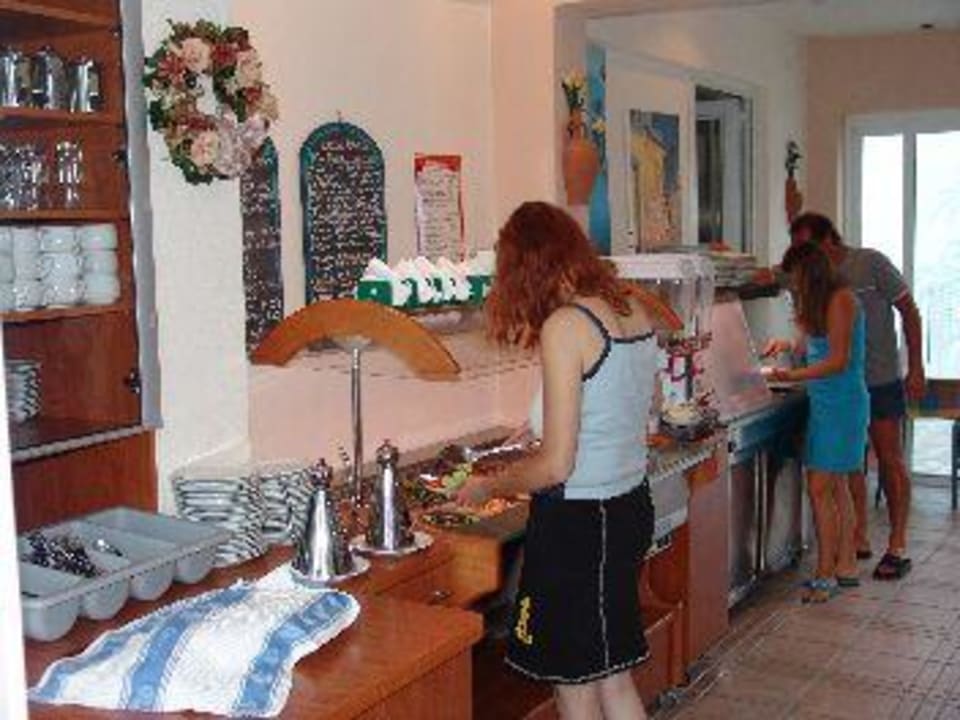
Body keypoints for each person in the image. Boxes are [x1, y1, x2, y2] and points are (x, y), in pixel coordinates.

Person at [456, 201, 657, 720]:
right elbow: (635, 406)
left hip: (578, 523)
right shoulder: (632, 308)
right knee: (611, 677)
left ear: (527, 266)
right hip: (628, 508)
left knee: (573, 686)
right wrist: (542, 421)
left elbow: (555, 467)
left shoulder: (567, 325)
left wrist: (488, 487)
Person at [789, 212, 924, 581]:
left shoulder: (870, 263)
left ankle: (897, 544)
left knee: (889, 460)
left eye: (806, 246)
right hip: (840, 387)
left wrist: (916, 366)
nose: (803, 254)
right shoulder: (817, 280)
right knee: (848, 468)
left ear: (827, 240)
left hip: (879, 379)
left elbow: (910, 311)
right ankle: (856, 540)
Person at [765, 242, 868, 602]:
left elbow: (838, 360)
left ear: (811, 271)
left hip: (842, 405)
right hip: (826, 404)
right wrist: (785, 345)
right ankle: (846, 565)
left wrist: (792, 376)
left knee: (820, 488)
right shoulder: (820, 303)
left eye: (796, 277)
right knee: (836, 487)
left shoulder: (842, 300)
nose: (794, 285)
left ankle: (825, 575)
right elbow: (810, 346)